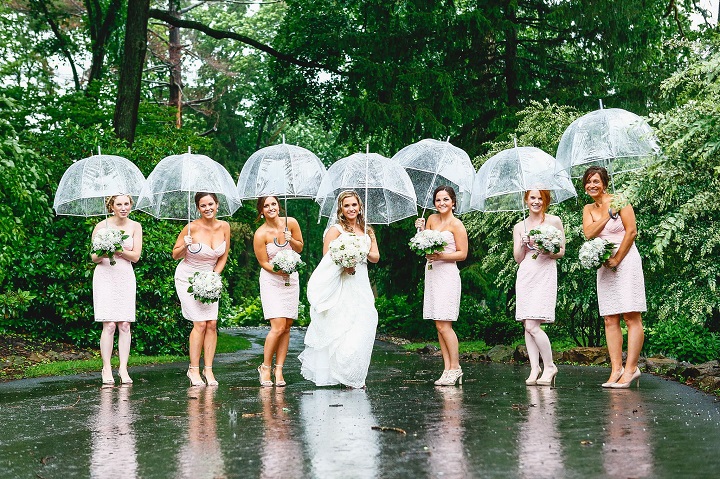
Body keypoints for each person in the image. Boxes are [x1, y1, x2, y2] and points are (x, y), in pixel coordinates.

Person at [299, 190, 380, 388]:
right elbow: (327, 259)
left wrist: (360, 251)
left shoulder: (368, 230)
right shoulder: (335, 230)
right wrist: (345, 263)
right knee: (342, 326)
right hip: (342, 283)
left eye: (354, 205)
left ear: (360, 207)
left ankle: (355, 373)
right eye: (347, 206)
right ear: (341, 210)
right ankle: (345, 376)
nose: (351, 209)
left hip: (361, 282)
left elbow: (376, 257)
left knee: (365, 324)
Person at [581, 166, 646, 388]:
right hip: (605, 263)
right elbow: (589, 233)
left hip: (625, 259)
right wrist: (608, 215)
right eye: (589, 182)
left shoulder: (621, 201)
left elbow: (632, 231)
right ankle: (616, 369)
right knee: (610, 318)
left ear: (605, 183)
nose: (592, 185)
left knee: (631, 315)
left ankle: (631, 369)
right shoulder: (588, 208)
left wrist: (618, 258)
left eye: (596, 181)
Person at [172, 192, 231, 387]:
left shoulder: (225, 227)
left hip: (210, 279)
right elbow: (175, 255)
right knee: (200, 324)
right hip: (187, 278)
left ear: (217, 205)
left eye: (211, 204)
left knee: (212, 324)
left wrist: (214, 275)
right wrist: (185, 246)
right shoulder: (191, 228)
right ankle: (193, 369)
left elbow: (223, 256)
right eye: (203, 205)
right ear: (198, 208)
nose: (208, 208)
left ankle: (209, 369)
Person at [414, 186, 468, 386]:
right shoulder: (431, 219)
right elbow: (423, 244)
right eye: (438, 200)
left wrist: (441, 256)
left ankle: (456, 367)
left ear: (453, 202)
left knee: (446, 325)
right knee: (438, 325)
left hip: (447, 274)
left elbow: (462, 254)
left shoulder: (457, 225)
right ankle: (447, 369)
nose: (442, 203)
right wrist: (420, 229)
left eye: (446, 199)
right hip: (432, 273)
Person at [512, 189, 565, 387]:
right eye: (532, 197)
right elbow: (518, 258)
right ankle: (535, 367)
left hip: (545, 272)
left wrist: (547, 249)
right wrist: (523, 244)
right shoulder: (519, 226)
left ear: (546, 200)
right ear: (526, 200)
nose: (536, 201)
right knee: (527, 323)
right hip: (526, 273)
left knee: (533, 325)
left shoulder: (554, 221)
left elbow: (561, 252)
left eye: (540, 198)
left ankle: (550, 365)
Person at [91, 194, 143, 385]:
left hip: (125, 276)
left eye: (126, 204)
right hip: (105, 275)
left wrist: (118, 249)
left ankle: (123, 368)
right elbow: (94, 257)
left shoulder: (135, 226)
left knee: (125, 325)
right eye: (119, 204)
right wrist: (106, 249)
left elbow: (136, 256)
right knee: (110, 324)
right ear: (111, 206)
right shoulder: (101, 227)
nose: (123, 207)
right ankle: (106, 367)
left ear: (130, 206)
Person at [253, 196, 304, 387]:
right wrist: (278, 270)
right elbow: (263, 261)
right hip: (271, 280)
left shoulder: (291, 223)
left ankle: (279, 368)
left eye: (273, 204)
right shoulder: (260, 234)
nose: (270, 208)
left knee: (287, 325)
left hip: (290, 279)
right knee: (278, 326)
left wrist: (292, 239)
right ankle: (265, 367)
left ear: (278, 206)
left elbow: (300, 247)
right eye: (266, 206)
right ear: (261, 211)